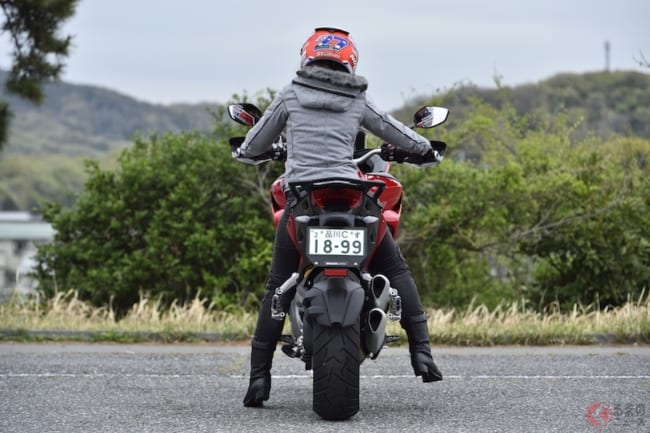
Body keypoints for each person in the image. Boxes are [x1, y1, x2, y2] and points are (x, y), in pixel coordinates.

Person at [232, 27, 443, 408]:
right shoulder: (357, 96)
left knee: (278, 284)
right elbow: (395, 131)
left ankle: (259, 380)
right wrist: (425, 148)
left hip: (304, 200)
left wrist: (246, 151)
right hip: (352, 198)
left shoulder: (291, 93)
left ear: (306, 58)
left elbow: (256, 142)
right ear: (350, 63)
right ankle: (422, 354)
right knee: (396, 271)